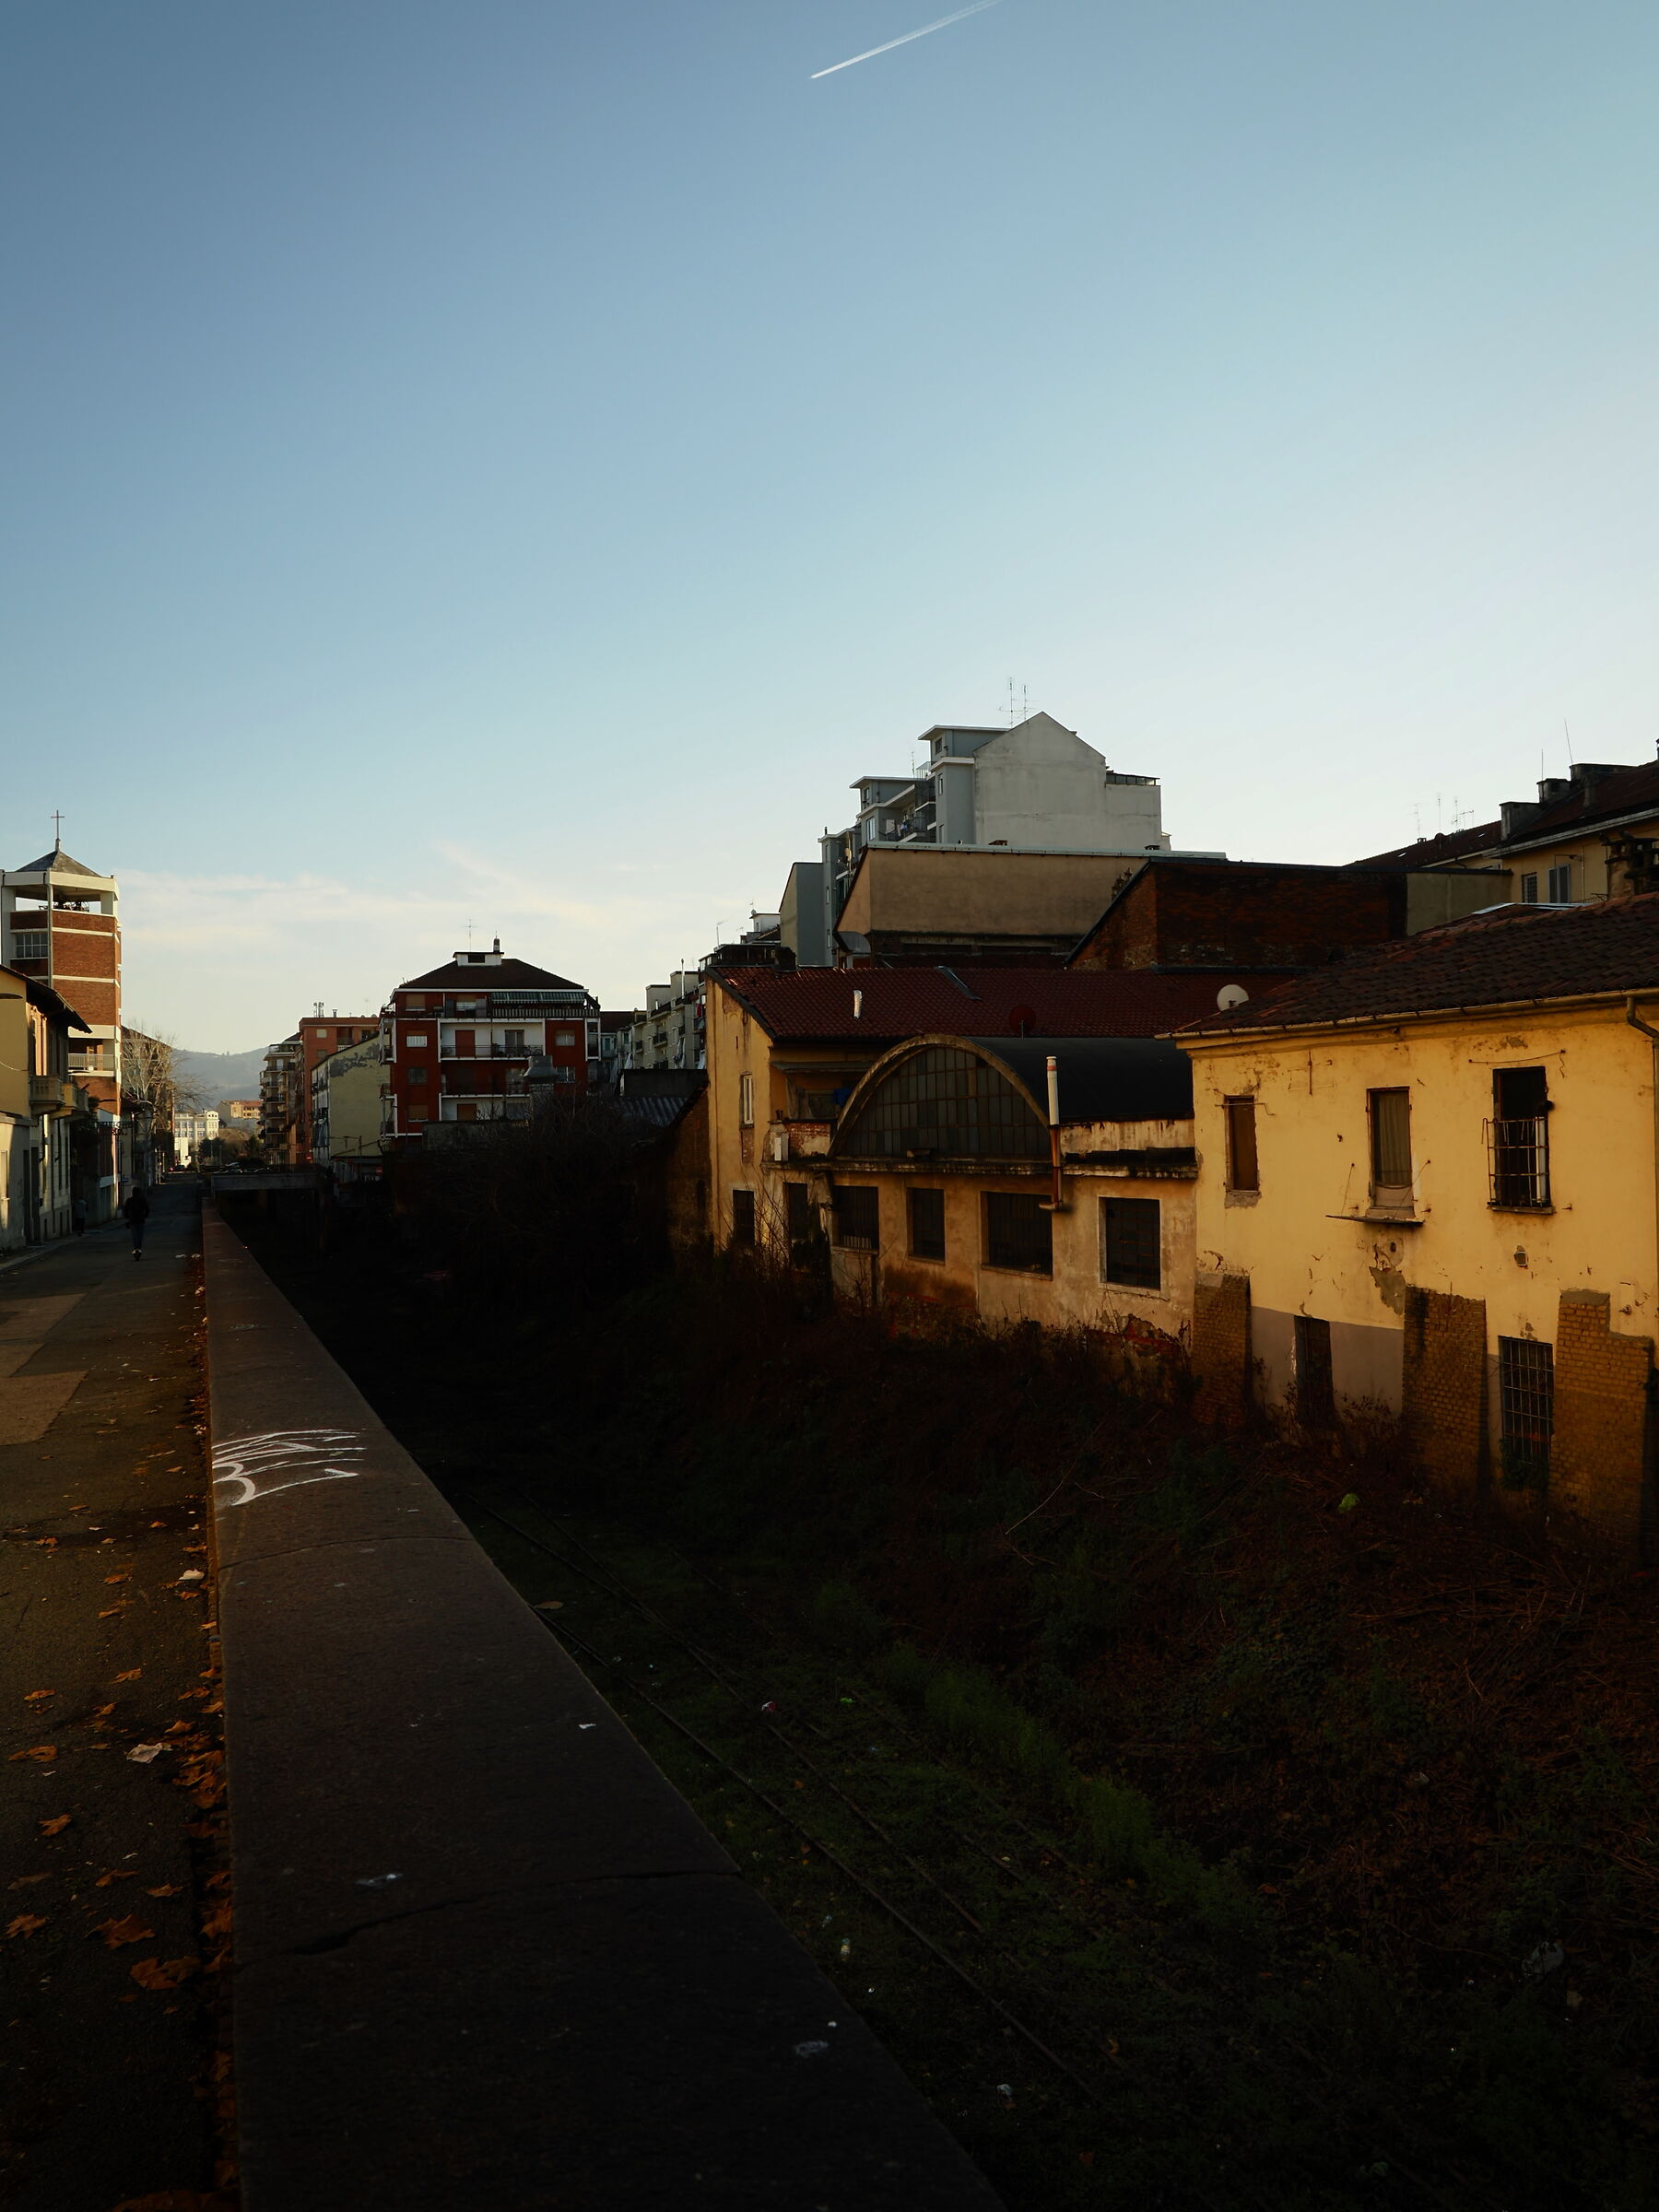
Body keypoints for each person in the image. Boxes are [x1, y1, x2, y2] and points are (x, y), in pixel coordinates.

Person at [122, 1185, 151, 1261]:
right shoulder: (142, 1200)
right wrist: (145, 1216)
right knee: (140, 1237)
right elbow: (147, 1209)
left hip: (132, 1221)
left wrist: (127, 1218)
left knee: (135, 1237)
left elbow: (125, 1211)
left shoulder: (129, 1200)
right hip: (140, 1221)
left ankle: (136, 1250)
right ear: (139, 1193)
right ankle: (138, 1250)